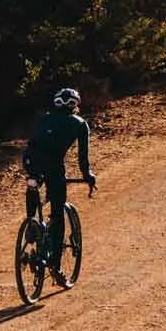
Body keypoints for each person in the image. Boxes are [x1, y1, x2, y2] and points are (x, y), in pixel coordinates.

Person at [24, 86, 97, 274]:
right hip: (54, 166)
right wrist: (88, 176)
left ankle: (31, 222)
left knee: (33, 184)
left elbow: (32, 141)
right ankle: (55, 264)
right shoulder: (80, 124)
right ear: (76, 105)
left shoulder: (43, 118)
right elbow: (83, 158)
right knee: (58, 212)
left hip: (30, 160)